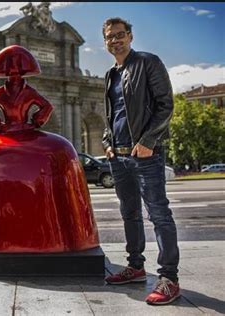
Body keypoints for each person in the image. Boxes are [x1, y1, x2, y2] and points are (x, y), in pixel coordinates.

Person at [101, 17, 180, 305]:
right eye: (110, 37)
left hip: (145, 155)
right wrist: (107, 144)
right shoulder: (111, 74)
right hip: (118, 157)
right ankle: (135, 267)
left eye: (120, 35)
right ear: (105, 41)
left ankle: (169, 278)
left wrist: (148, 141)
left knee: (159, 215)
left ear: (130, 36)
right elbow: (111, 117)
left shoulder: (148, 62)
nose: (115, 40)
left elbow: (165, 105)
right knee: (129, 214)